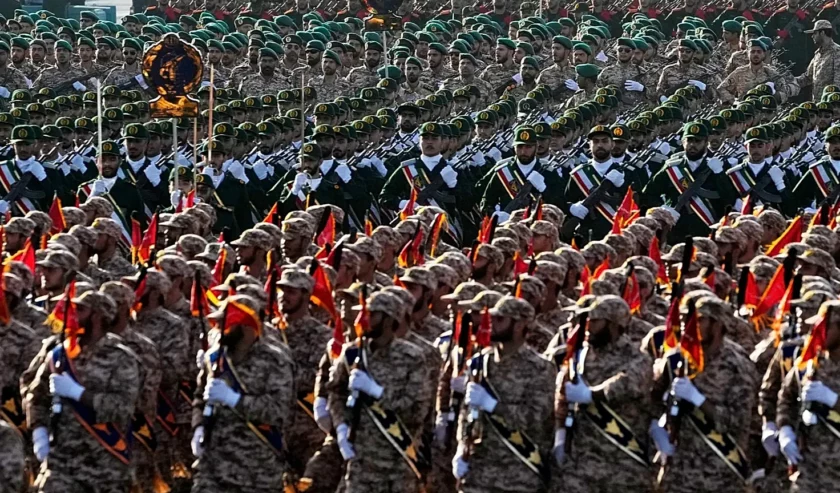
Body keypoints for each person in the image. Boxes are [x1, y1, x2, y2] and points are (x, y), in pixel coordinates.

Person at [25, 290, 140, 492]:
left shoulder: (121, 358)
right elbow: (37, 396)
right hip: (61, 460)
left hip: (104, 463)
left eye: (80, 310)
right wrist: (39, 431)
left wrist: (79, 394)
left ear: (97, 316)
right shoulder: (60, 354)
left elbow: (123, 408)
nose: (72, 314)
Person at [192, 294, 296, 492]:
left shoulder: (275, 361)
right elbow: (199, 396)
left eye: (227, 324)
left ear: (246, 326)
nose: (219, 329)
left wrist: (234, 399)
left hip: (256, 469)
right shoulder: (214, 357)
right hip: (213, 465)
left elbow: (279, 410)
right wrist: (197, 426)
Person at [452, 295, 555, 493]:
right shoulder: (481, 361)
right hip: (479, 469)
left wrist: (493, 406)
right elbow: (467, 411)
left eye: (500, 319)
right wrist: (461, 446)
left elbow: (536, 418)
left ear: (519, 325)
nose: (492, 324)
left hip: (517, 471)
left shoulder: (539, 368)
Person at [327, 290, 427, 493]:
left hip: (397, 461)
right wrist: (341, 427)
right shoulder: (352, 353)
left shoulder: (411, 357)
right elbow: (336, 392)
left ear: (389, 319)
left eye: (372, 315)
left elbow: (417, 410)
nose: (364, 320)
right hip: (360, 460)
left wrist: (378, 392)